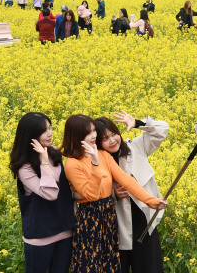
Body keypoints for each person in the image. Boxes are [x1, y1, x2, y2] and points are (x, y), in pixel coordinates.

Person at [61, 115, 167, 273]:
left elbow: (126, 180)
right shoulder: (73, 164)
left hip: (110, 220)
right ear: (77, 136)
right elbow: (91, 194)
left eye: (93, 131)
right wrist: (95, 163)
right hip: (91, 222)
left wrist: (149, 200)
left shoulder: (105, 155)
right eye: (89, 132)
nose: (94, 135)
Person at [94, 112, 168, 273]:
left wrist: (137, 123)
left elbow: (162, 129)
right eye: (105, 139)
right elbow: (89, 193)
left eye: (114, 134)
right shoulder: (97, 163)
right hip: (118, 228)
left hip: (145, 223)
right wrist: (114, 195)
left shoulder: (136, 147)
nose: (112, 141)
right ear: (98, 144)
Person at [9, 112, 75, 273]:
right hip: (40, 236)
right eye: (44, 131)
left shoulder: (53, 151)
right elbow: (50, 194)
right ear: (31, 135)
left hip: (65, 231)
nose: (50, 133)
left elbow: (65, 188)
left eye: (50, 128)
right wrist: (44, 162)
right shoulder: (24, 167)